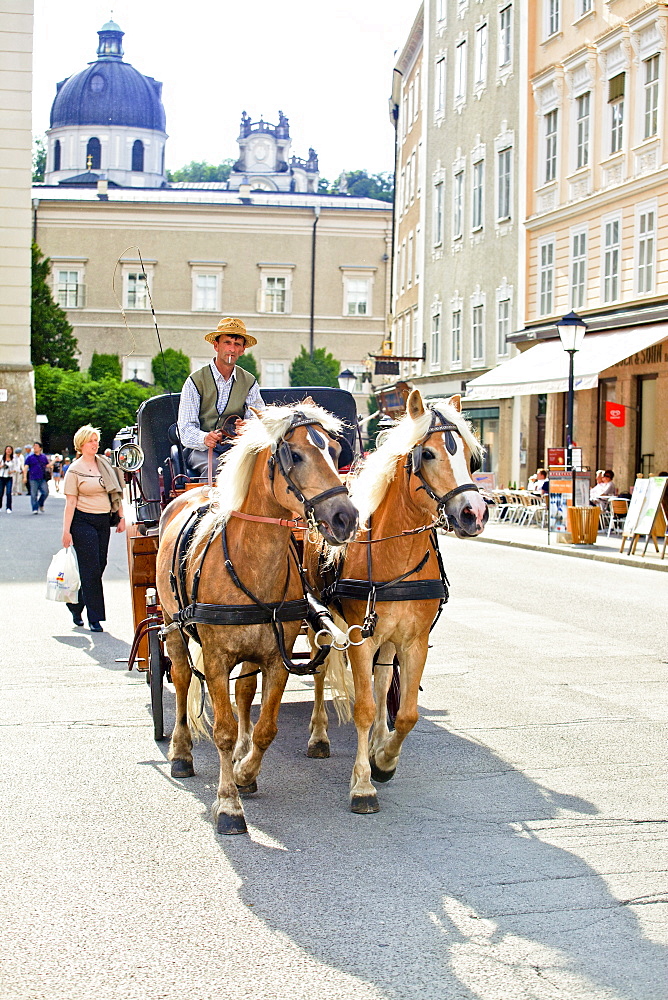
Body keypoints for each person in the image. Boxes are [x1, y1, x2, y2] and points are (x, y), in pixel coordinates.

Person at [177, 316, 265, 478]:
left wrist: (246, 428)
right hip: (202, 451)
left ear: (242, 350)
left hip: (236, 448)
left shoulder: (250, 382)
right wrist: (205, 438)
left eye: (237, 344)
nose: (232, 349)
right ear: (216, 345)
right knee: (218, 468)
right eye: (227, 342)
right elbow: (185, 429)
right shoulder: (194, 382)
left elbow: (259, 421)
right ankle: (208, 504)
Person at [62, 424, 126, 632]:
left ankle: (76, 603)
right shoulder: (74, 470)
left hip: (102, 521)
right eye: (91, 441)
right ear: (81, 444)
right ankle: (95, 618)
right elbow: (70, 503)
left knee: (100, 564)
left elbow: (117, 492)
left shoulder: (104, 464)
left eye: (96, 440)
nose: (95, 444)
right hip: (82, 522)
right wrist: (66, 531)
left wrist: (121, 517)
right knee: (90, 569)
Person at [23, 441, 51, 513]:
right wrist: (25, 477)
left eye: (36, 446)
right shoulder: (30, 457)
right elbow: (26, 467)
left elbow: (47, 465)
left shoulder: (43, 457)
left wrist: (55, 461)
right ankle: (35, 508)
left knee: (45, 492)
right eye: (34, 446)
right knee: (33, 494)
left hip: (42, 478)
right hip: (33, 478)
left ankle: (40, 504)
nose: (34, 447)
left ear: (40, 448)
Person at [0, 446, 17, 512]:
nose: (8, 451)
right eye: (7, 449)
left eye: (10, 450)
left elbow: (16, 468)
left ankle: (8, 507)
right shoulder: (1, 458)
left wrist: (12, 471)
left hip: (9, 477)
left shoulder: (14, 459)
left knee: (8, 492)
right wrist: (2, 466)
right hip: (1, 476)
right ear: (5, 450)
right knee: (0, 492)